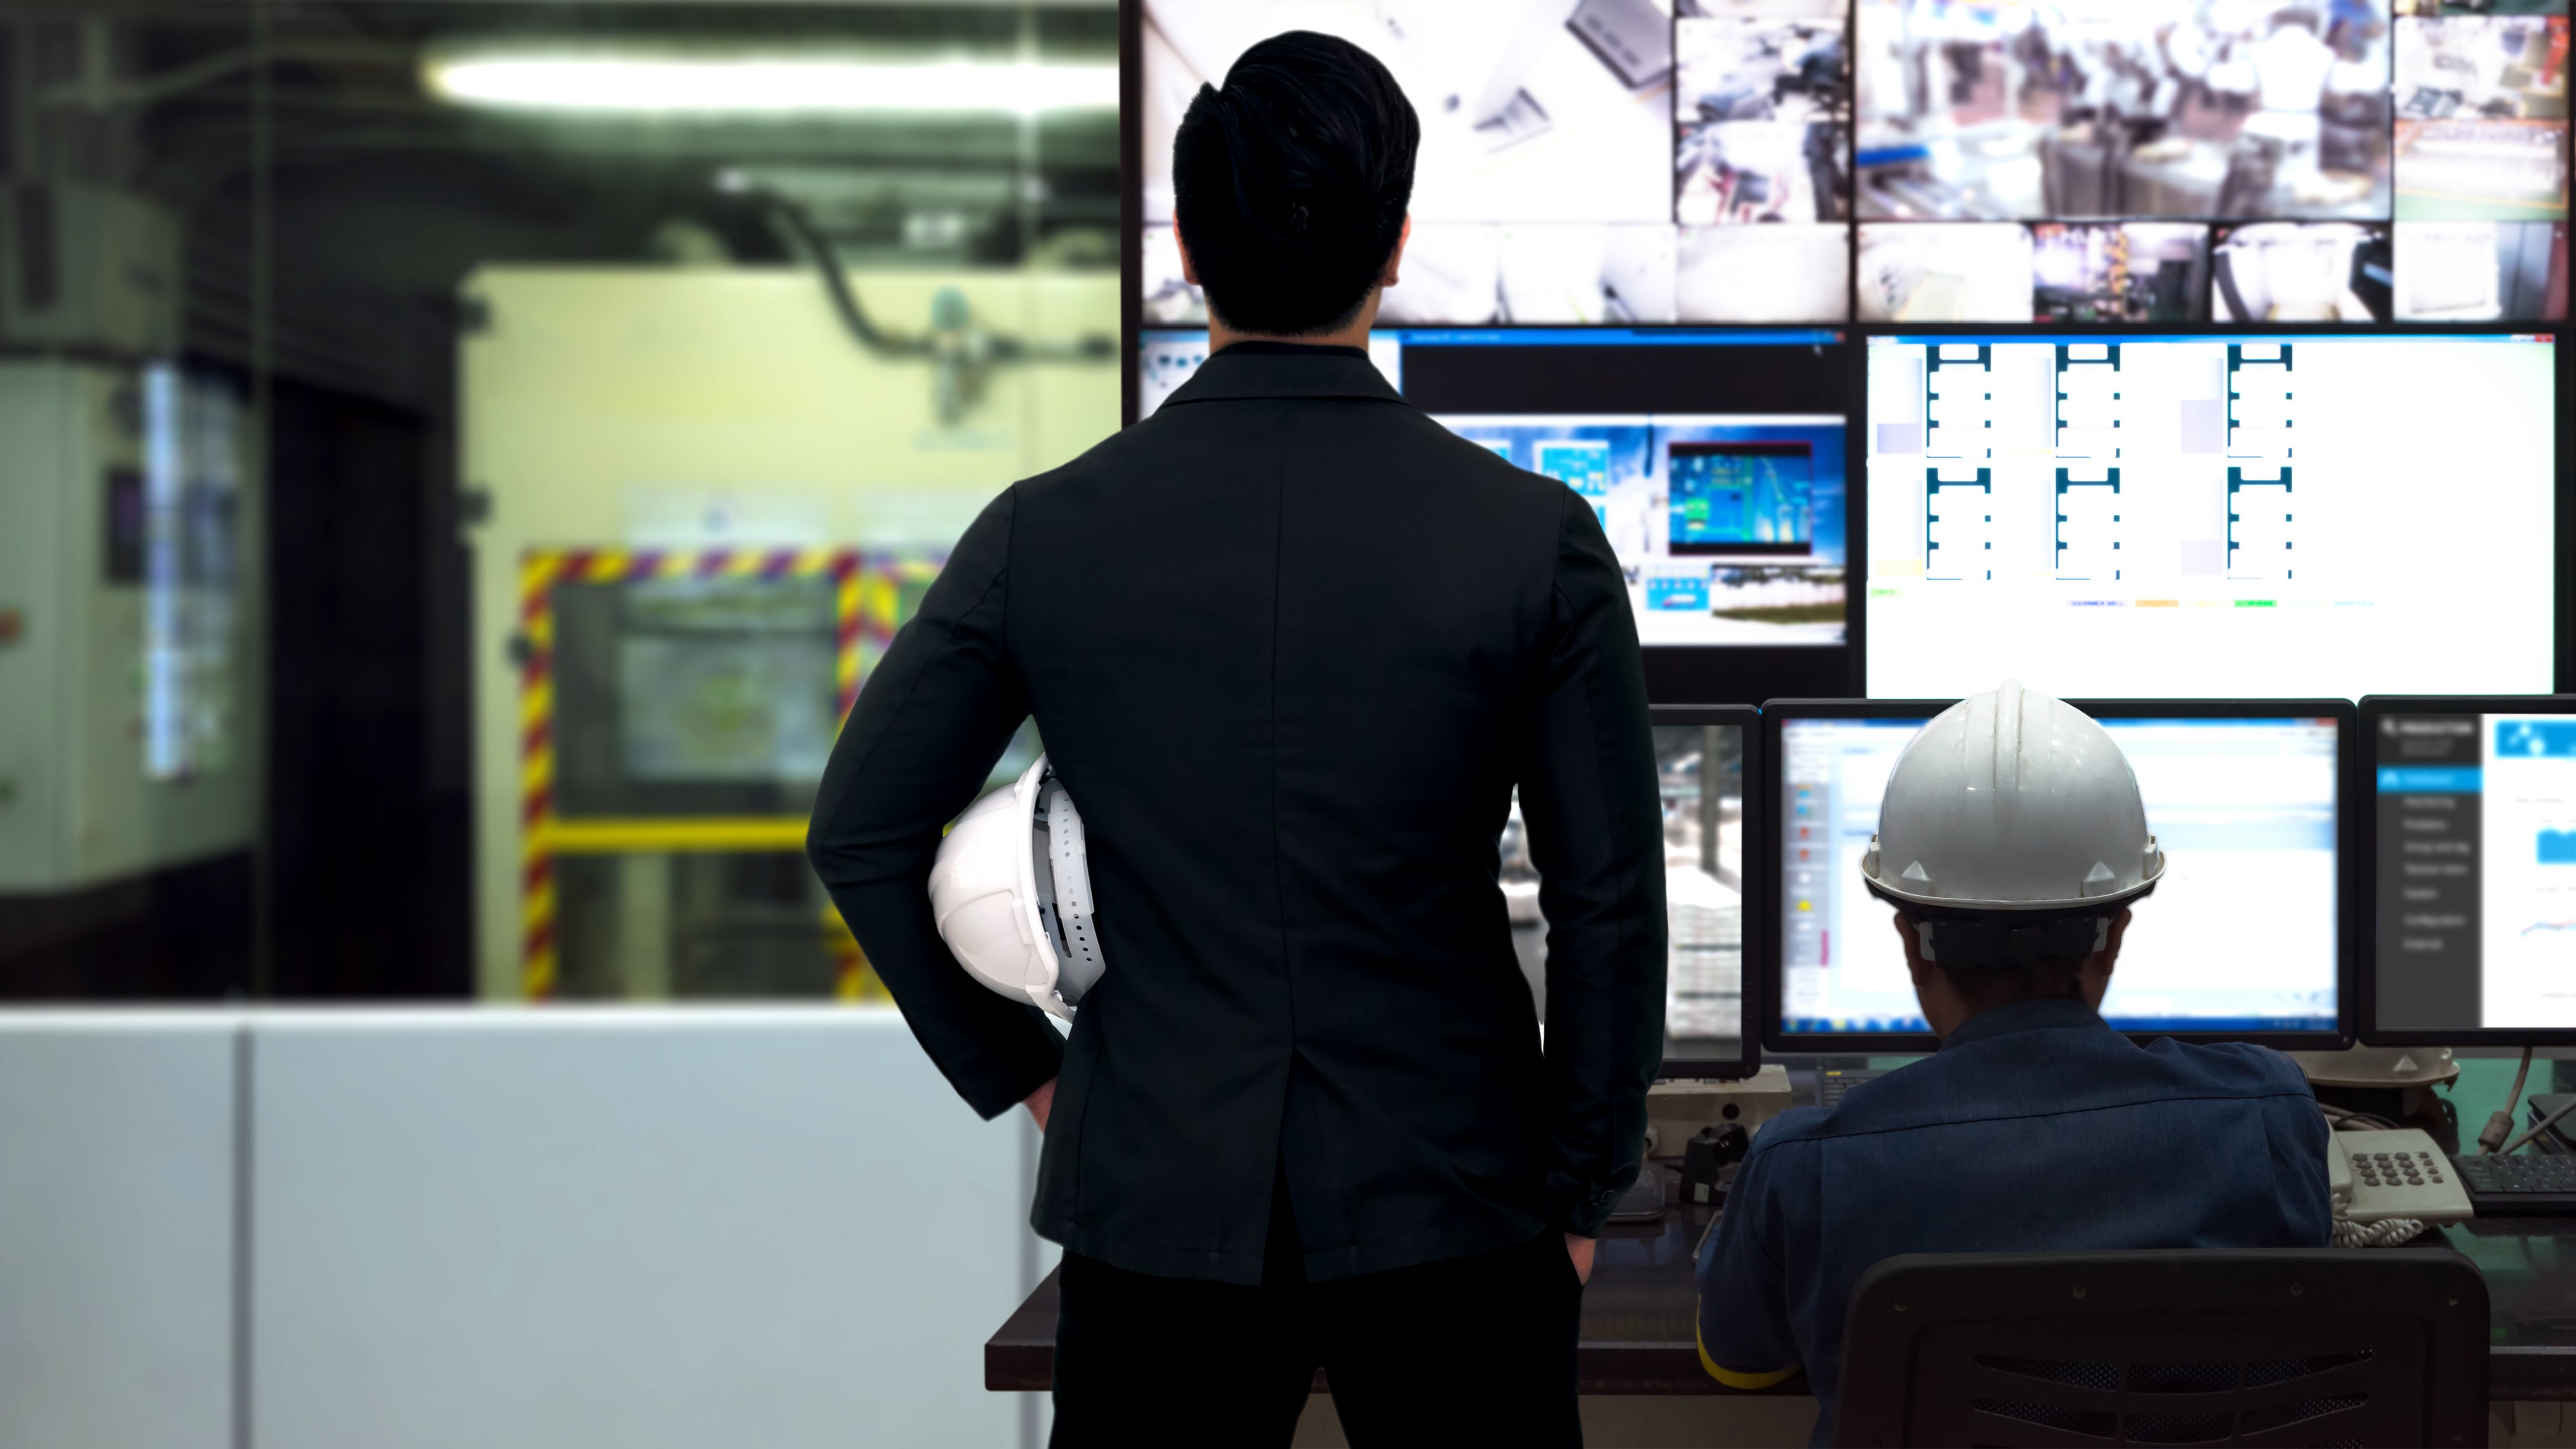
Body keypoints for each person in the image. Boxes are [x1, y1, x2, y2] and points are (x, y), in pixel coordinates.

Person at [805, 30, 1665, 1449]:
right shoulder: (1533, 543)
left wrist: (1029, 1073)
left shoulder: (1043, 533)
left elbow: (862, 833)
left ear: (1190, 249)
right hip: (1456, 1198)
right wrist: (1582, 1190)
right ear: (1397, 247)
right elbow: (1610, 910)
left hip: (1158, 1201)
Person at [1694, 683, 2331, 1445]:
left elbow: (1740, 1365)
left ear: (1909, 942)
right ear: (2114, 936)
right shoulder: (2270, 1116)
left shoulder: (1804, 1169)